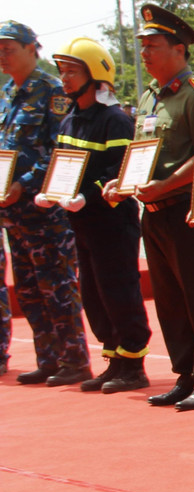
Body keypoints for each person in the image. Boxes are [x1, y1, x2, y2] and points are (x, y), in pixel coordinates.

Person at [103, 4, 194, 409]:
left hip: (184, 211)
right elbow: (143, 153)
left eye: (152, 46)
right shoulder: (149, 97)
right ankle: (185, 375)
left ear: (178, 49)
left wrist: (167, 185)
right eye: (141, 47)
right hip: (152, 213)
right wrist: (121, 184)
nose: (144, 53)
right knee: (170, 300)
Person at [46, 37, 152, 393]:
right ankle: (114, 360)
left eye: (72, 71)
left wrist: (87, 194)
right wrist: (52, 191)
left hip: (112, 221)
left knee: (119, 289)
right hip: (82, 223)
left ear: (95, 75)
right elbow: (62, 165)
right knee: (94, 294)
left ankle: (133, 364)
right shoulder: (69, 121)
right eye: (62, 71)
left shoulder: (115, 120)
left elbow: (119, 169)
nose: (65, 78)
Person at [0, 21, 89, 386]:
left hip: (45, 210)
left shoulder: (53, 90)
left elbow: (60, 148)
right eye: (0, 49)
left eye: (10, 48)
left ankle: (75, 360)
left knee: (57, 285)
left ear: (32, 48)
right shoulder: (7, 93)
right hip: (13, 212)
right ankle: (48, 358)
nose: (3, 55)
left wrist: (23, 183)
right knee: (28, 289)